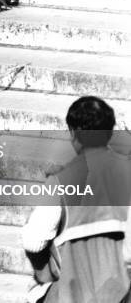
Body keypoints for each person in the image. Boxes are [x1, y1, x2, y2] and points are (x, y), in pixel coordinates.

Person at [22, 96, 131, 303]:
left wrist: (44, 276)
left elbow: (33, 241)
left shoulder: (60, 181)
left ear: (73, 134)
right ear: (109, 132)